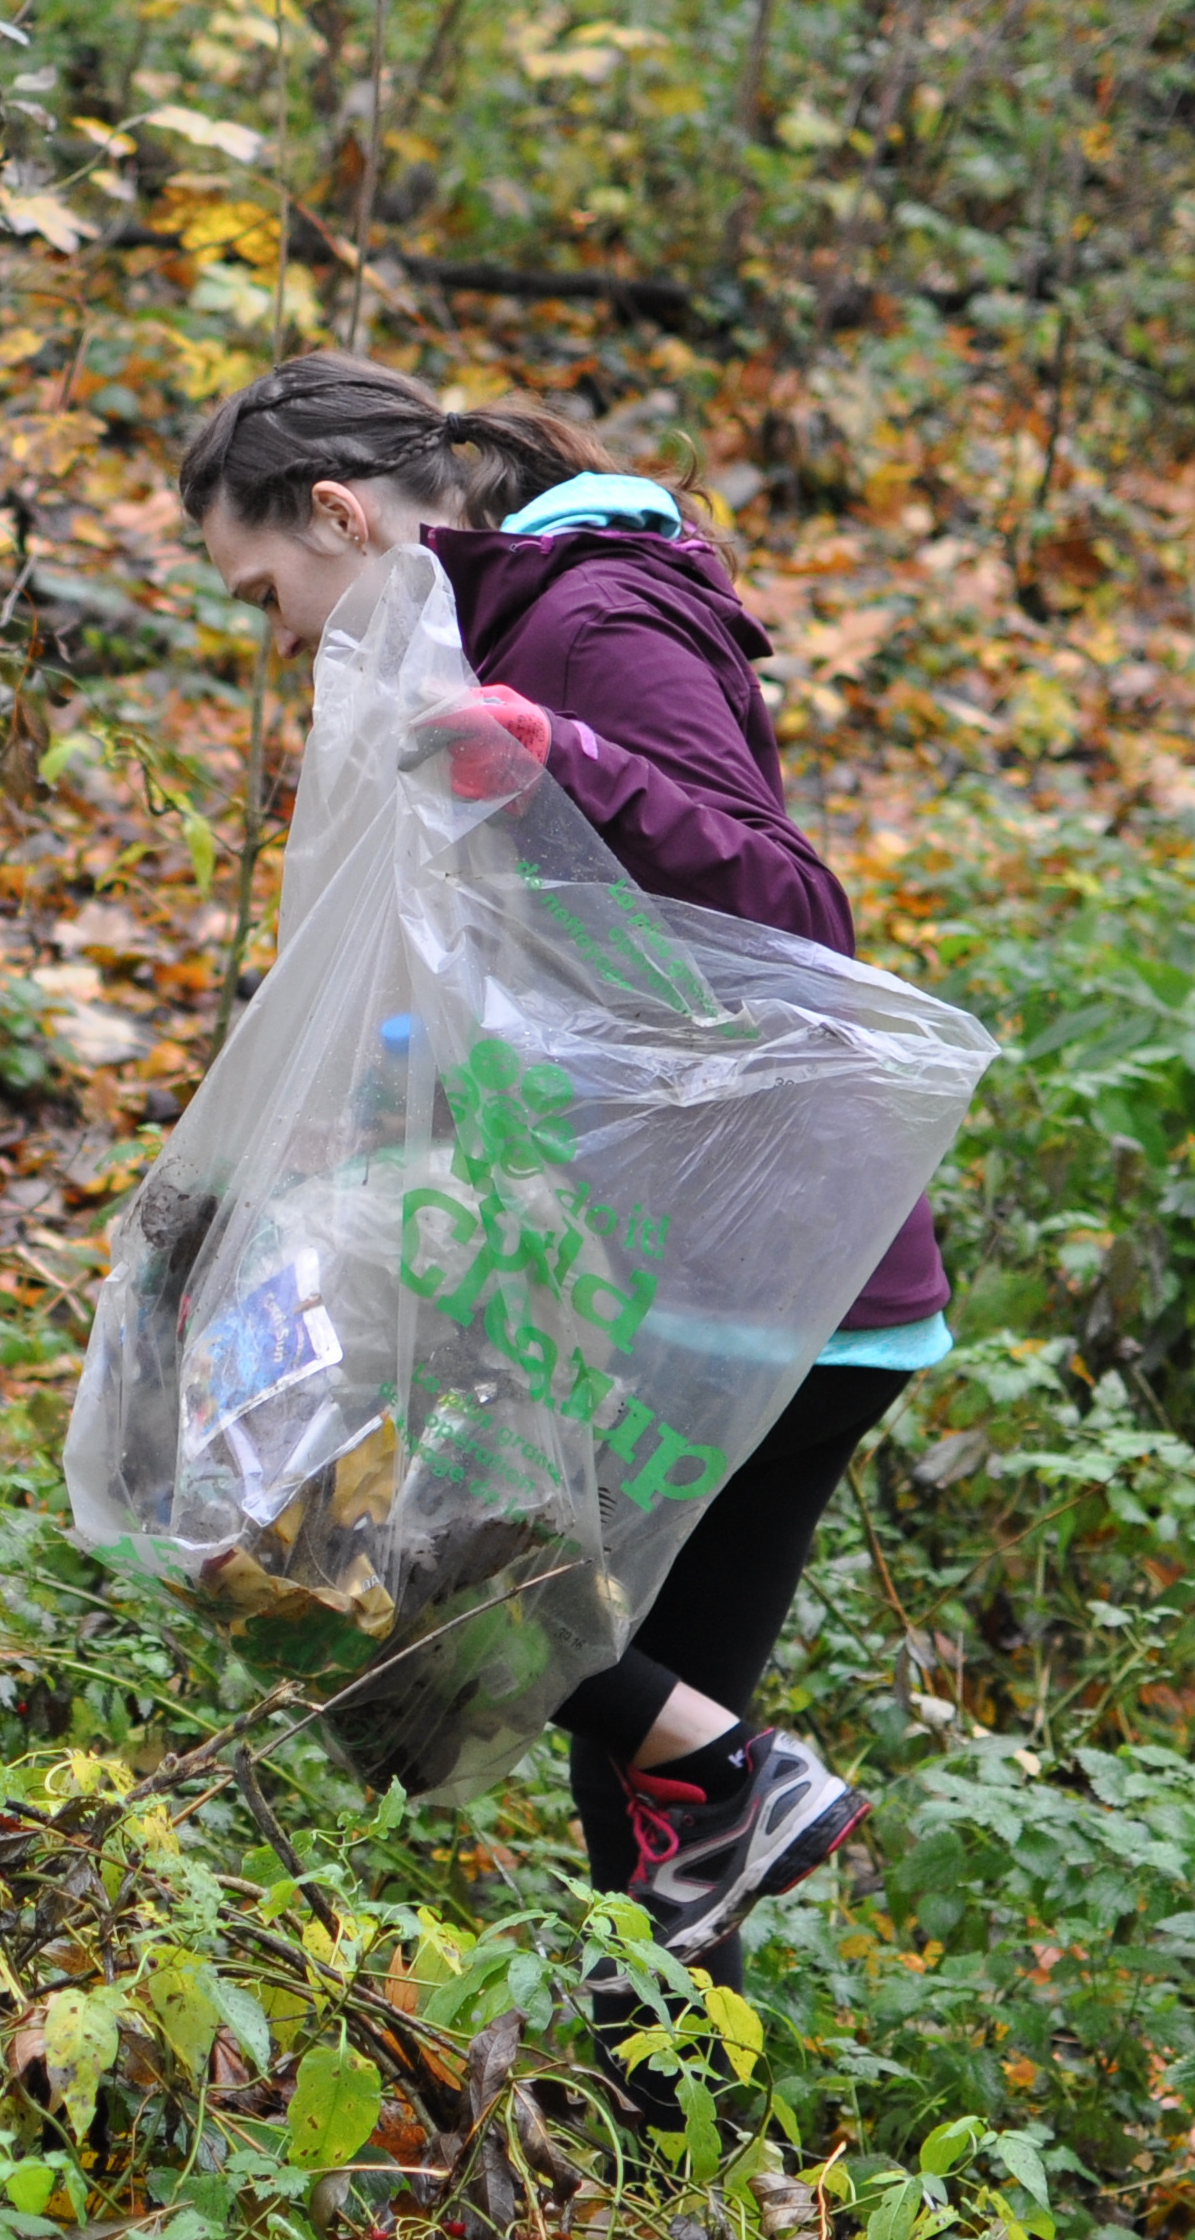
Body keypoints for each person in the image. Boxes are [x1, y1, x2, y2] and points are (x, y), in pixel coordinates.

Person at [175, 349, 953, 1991]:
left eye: (267, 594)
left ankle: (725, 1799)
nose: (281, 637)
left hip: (756, 1274)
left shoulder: (586, 625)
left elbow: (792, 917)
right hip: (705, 1251)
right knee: (657, 1806)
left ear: (338, 515)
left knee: (339, 1519)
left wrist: (557, 756)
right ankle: (696, 2031)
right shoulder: (480, 627)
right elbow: (547, 964)